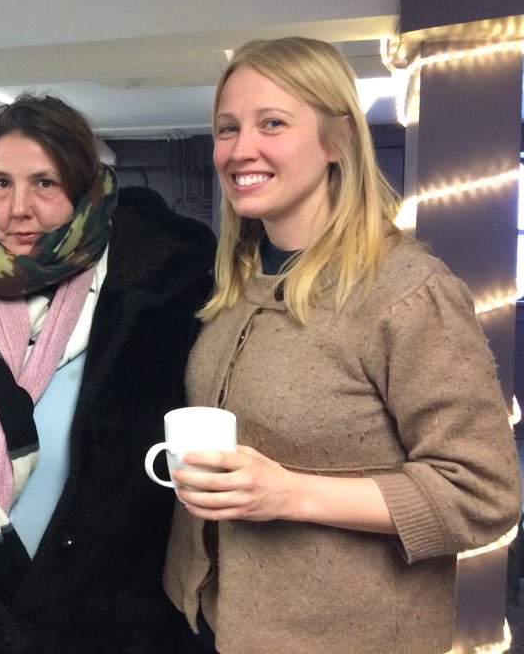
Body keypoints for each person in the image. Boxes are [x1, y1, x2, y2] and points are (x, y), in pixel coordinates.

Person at [163, 36, 522, 654]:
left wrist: (291, 494)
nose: (240, 149)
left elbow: (484, 494)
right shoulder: (240, 283)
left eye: (271, 123)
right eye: (227, 128)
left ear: (338, 141)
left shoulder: (406, 292)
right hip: (211, 622)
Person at [0, 94, 216, 653]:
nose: (18, 208)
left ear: (82, 189)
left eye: (44, 183)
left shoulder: (159, 297)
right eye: (0, 183)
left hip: (102, 630)